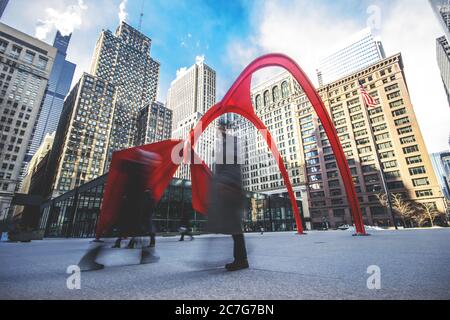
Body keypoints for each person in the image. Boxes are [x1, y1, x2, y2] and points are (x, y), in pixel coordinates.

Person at [207, 118, 248, 271]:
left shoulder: (230, 144)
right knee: (232, 226)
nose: (220, 130)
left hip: (230, 189)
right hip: (227, 188)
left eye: (222, 127)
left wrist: (226, 183)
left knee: (235, 227)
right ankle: (241, 258)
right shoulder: (225, 145)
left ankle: (241, 259)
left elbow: (232, 168)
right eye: (220, 127)